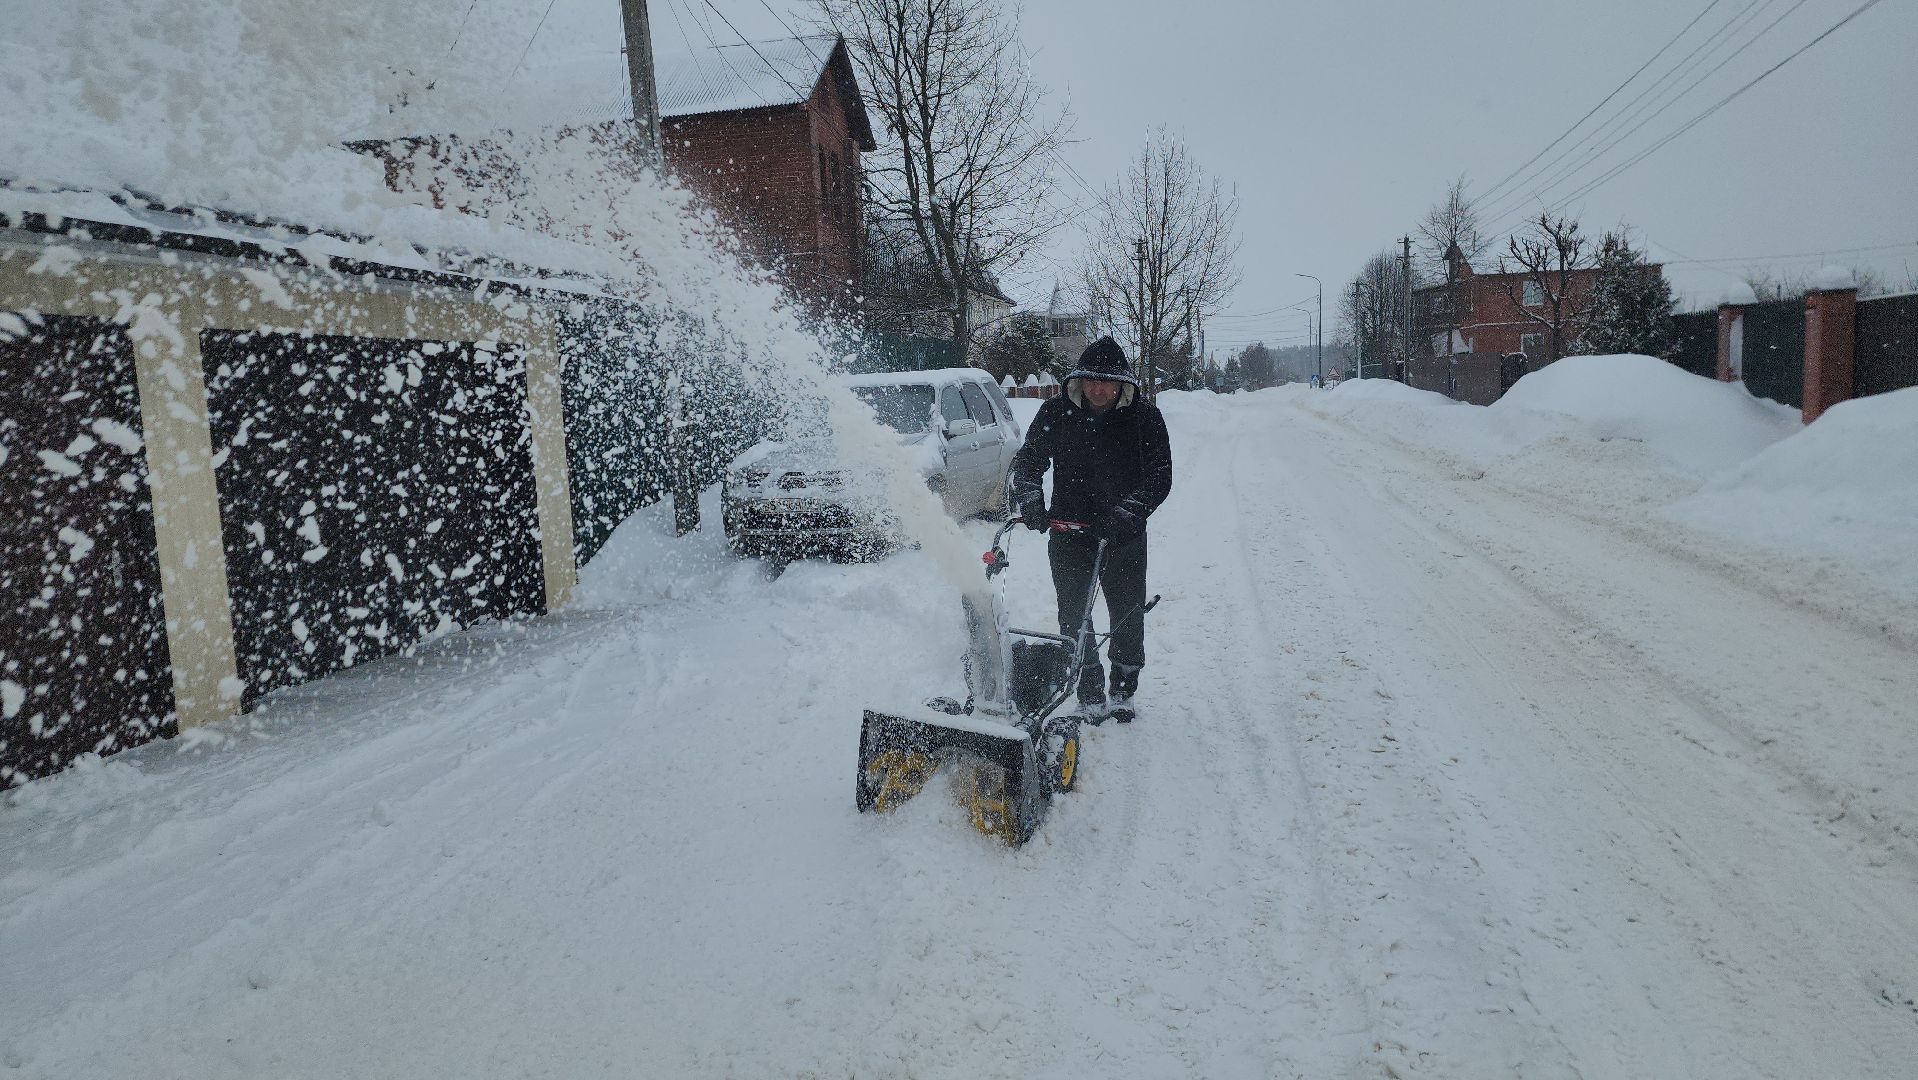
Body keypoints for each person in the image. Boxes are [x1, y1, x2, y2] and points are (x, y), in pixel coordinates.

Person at [1009, 337, 1172, 723]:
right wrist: (1031, 499)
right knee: (1073, 615)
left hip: (1123, 536)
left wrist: (1126, 514)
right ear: (1078, 380)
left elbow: (1159, 477)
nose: (1098, 390)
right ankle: (1088, 688)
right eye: (1091, 381)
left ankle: (1123, 687)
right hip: (1070, 531)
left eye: (1107, 382)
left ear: (1122, 384)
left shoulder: (1144, 418)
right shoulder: (1057, 411)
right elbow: (1029, 461)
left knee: (1127, 614)